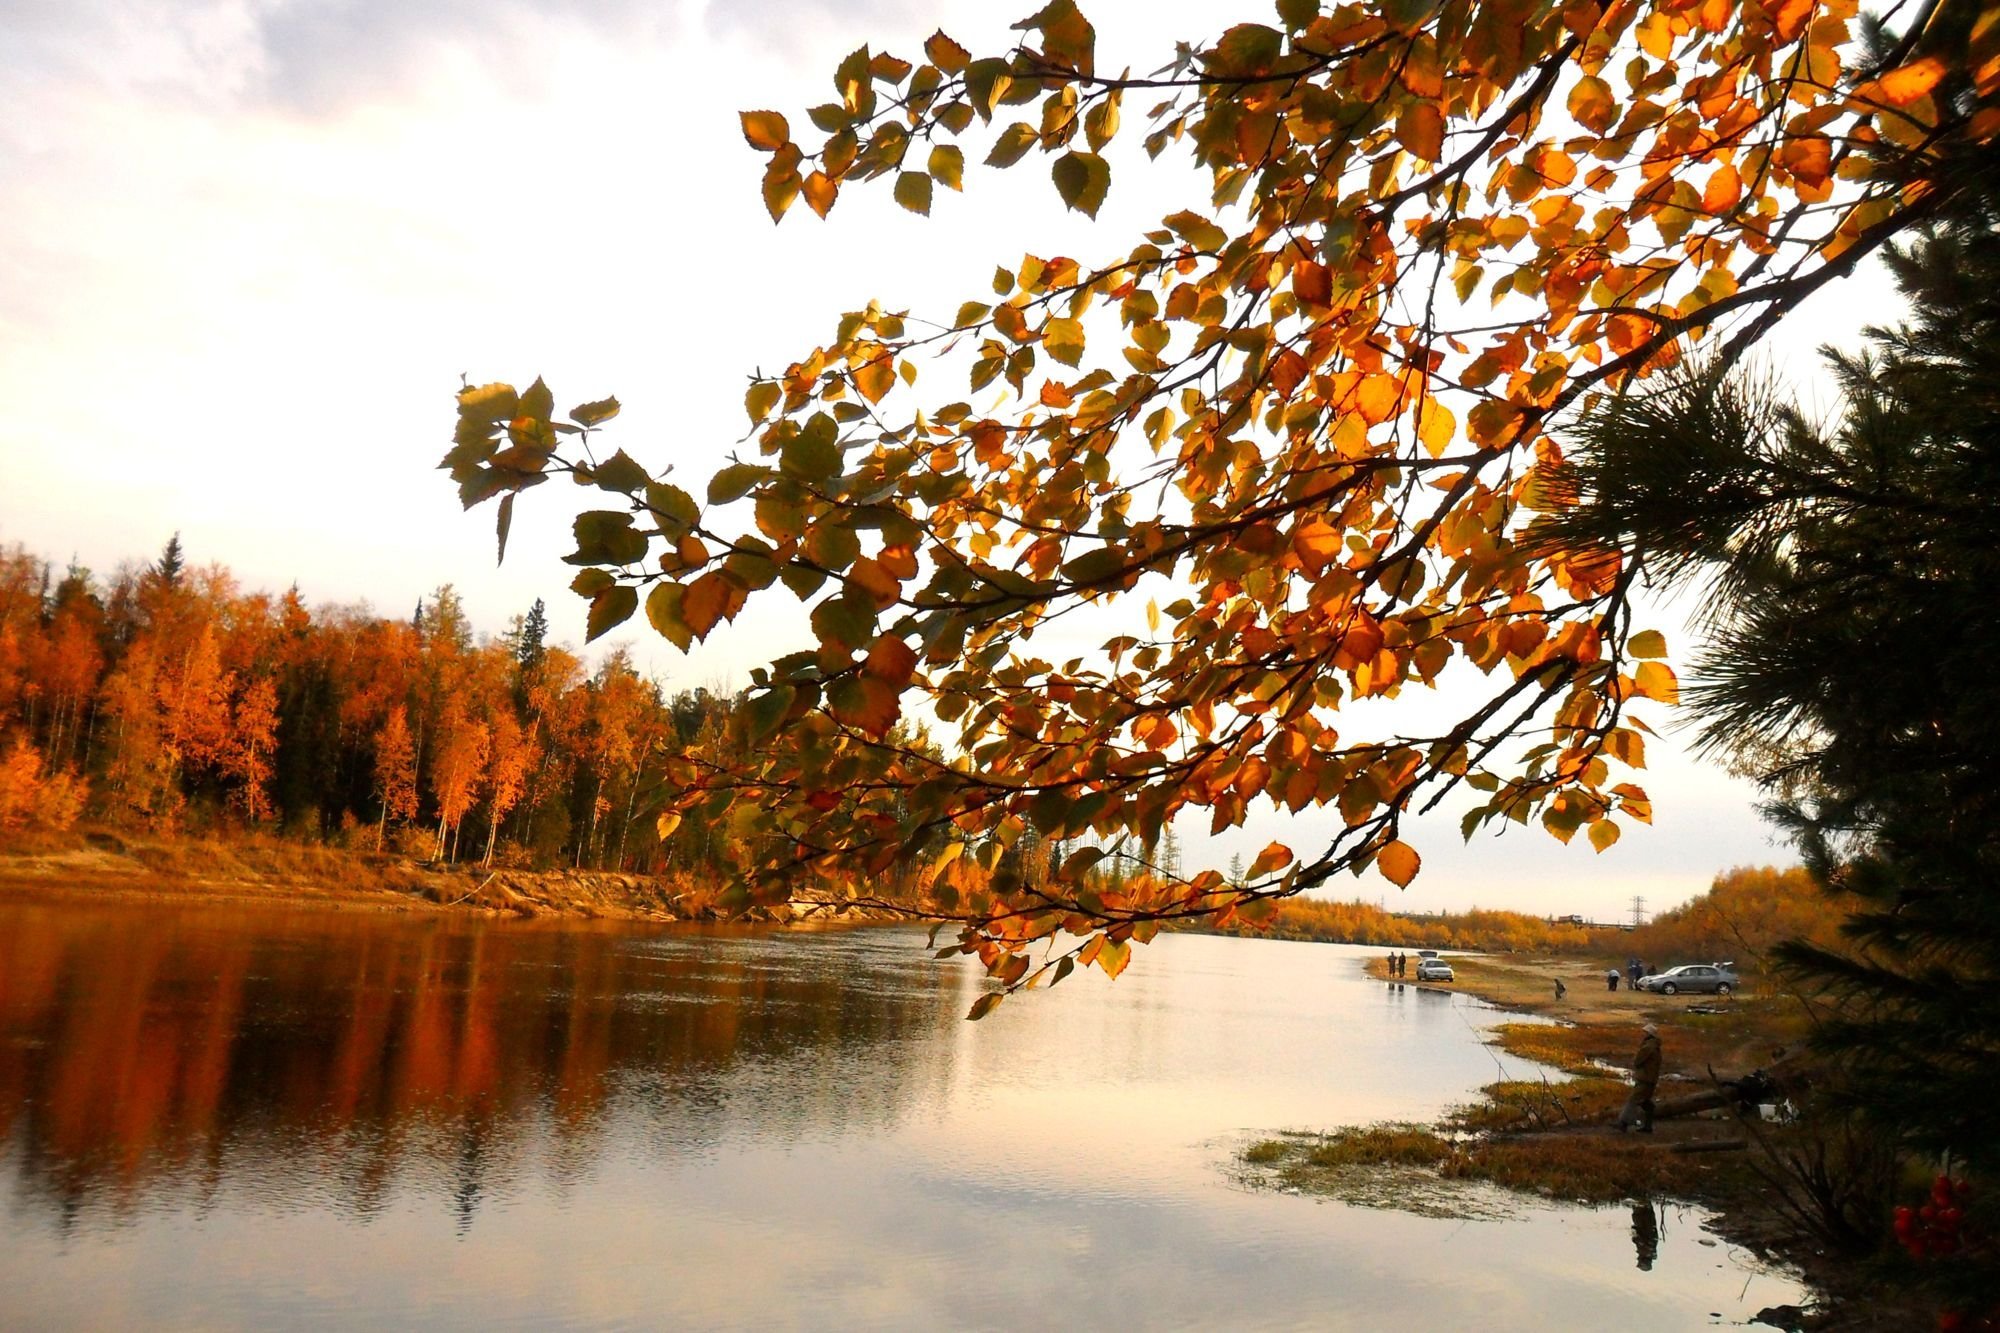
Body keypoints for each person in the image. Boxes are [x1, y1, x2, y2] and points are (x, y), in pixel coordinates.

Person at [1620, 1023, 1663, 1133]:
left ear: (1648, 1034)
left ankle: (1623, 1123)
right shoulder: (1655, 1046)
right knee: (1646, 1103)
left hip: (1645, 1079)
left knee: (1633, 1100)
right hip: (1651, 1079)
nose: (1641, 1034)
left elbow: (1637, 1061)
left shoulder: (1648, 1047)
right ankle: (1648, 1126)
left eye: (1644, 1032)